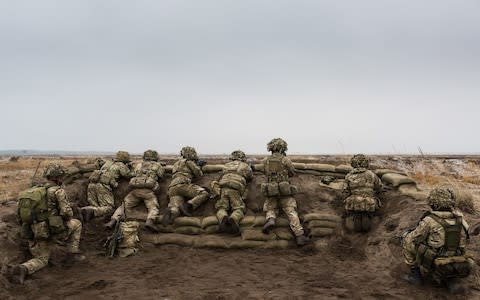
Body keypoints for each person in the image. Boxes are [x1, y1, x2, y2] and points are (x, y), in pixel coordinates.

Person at [5, 163, 84, 284]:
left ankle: (22, 268)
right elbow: (67, 213)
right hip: (51, 231)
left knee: (40, 257)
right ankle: (73, 255)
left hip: (32, 232)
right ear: (57, 177)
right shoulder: (58, 191)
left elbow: (20, 214)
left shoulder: (33, 191)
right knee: (77, 224)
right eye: (62, 176)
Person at [402, 187, 473, 293]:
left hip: (433, 261)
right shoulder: (461, 220)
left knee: (407, 239)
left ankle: (415, 275)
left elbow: (414, 238)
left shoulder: (429, 220)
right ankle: (451, 279)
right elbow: (467, 241)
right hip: (458, 261)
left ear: (433, 202)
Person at [260, 138, 309, 246]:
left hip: (271, 189)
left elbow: (263, 172)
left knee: (270, 208)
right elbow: (292, 172)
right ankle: (300, 236)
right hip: (285, 190)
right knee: (291, 211)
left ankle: (271, 219)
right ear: (283, 148)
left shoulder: (265, 160)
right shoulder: (285, 160)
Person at [106, 150, 165, 232]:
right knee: (153, 207)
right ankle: (150, 221)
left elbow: (133, 174)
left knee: (124, 206)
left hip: (135, 189)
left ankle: (113, 220)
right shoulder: (157, 165)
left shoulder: (139, 165)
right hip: (148, 190)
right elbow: (161, 175)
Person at [80, 151, 133, 222]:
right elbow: (128, 175)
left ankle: (83, 210)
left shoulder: (107, 163)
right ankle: (90, 211)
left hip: (91, 184)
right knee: (109, 207)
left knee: (95, 206)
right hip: (103, 186)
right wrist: (130, 168)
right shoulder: (121, 165)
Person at [162, 146, 208, 226]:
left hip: (172, 188)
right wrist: (198, 166)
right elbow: (198, 174)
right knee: (204, 193)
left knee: (176, 207)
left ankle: (171, 212)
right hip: (183, 184)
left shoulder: (176, 164)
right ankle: (188, 205)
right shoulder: (188, 162)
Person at [215, 150, 253, 234]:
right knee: (239, 208)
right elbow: (250, 177)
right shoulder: (245, 166)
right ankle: (234, 218)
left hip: (223, 186)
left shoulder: (226, 165)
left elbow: (221, 175)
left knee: (221, 207)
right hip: (236, 187)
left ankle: (223, 217)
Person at [343, 154, 382, 232]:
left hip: (353, 201)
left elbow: (345, 190)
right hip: (369, 201)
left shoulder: (349, 175)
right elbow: (378, 186)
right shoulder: (371, 174)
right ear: (366, 163)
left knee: (354, 216)